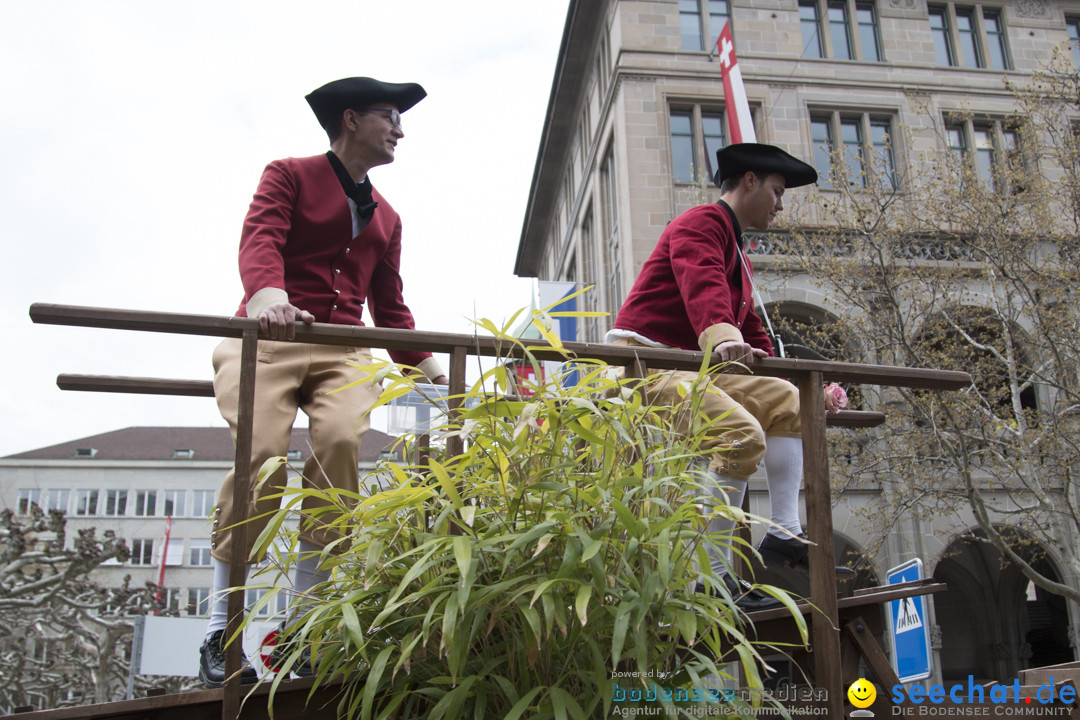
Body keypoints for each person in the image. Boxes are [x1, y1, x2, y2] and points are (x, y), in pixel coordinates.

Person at [198, 76, 448, 687]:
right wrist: (269, 298)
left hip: (343, 350)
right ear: (351, 119)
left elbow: (390, 308)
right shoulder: (288, 173)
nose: (400, 129)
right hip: (271, 333)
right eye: (390, 116)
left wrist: (440, 378)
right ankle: (219, 628)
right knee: (258, 456)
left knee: (339, 446)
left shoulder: (388, 216)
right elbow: (260, 240)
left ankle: (304, 628)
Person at [606, 143, 829, 611]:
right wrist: (721, 334)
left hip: (693, 368)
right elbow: (701, 282)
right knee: (740, 435)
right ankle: (713, 578)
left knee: (786, 401)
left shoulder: (736, 247)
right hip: (646, 365)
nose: (780, 204)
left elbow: (751, 329)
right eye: (776, 190)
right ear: (749, 181)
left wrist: (806, 389)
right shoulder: (701, 223)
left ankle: (785, 531)